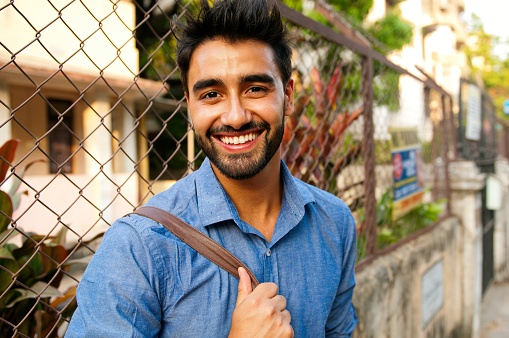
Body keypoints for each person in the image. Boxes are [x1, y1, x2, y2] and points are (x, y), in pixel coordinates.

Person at [66, 0, 357, 336]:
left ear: (288, 96)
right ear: (189, 104)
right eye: (211, 95)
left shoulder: (334, 223)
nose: (235, 116)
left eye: (255, 89)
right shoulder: (139, 247)